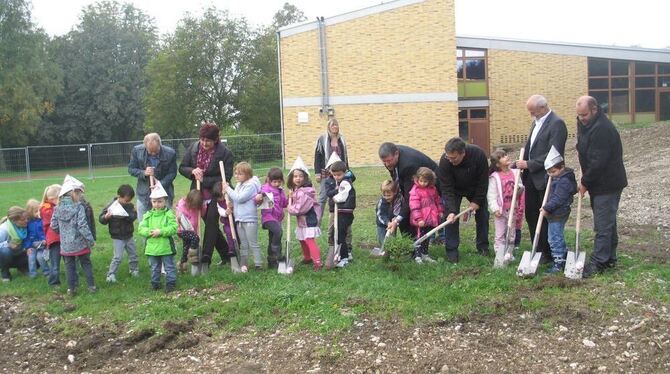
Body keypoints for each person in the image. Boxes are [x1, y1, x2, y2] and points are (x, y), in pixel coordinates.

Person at [575, 96, 628, 278]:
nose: (582, 118)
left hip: (608, 182)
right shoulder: (587, 124)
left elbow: (598, 162)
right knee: (608, 221)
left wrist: (584, 182)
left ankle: (599, 261)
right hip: (599, 182)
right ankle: (610, 257)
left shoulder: (603, 129)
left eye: (585, 114)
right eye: (579, 115)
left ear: (595, 109)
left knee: (603, 224)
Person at [515, 95, 567, 264]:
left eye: (534, 112)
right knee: (531, 214)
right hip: (530, 177)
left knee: (545, 215)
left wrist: (529, 163)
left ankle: (548, 252)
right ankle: (537, 248)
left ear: (543, 108)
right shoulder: (536, 122)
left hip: (545, 177)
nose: (532, 115)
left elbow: (554, 154)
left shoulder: (557, 124)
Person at [179, 123, 234, 267]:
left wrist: (205, 179)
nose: (204, 143)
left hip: (217, 193)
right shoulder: (193, 148)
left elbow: (226, 178)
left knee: (211, 221)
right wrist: (192, 171)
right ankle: (226, 254)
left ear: (216, 139)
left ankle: (206, 258)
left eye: (208, 141)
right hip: (198, 194)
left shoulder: (225, 154)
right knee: (211, 226)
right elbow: (182, 167)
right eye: (202, 139)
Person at [437, 137, 490, 263]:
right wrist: (451, 210)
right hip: (454, 189)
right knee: (450, 219)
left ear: (463, 153)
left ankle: (483, 247)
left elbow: (483, 181)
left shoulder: (478, 155)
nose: (450, 160)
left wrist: (477, 201)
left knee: (483, 216)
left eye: (454, 158)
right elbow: (446, 188)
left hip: (474, 187)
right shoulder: (445, 161)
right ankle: (452, 251)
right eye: (448, 157)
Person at [378, 142, 438, 235]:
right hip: (416, 181)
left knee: (425, 208)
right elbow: (395, 177)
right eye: (384, 161)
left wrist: (398, 218)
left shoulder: (408, 165)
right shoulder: (390, 159)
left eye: (389, 161)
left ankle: (428, 237)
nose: (387, 164)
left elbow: (409, 197)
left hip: (433, 183)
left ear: (396, 154)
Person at [51, 176, 96, 296]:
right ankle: (91, 286)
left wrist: (63, 234)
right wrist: (90, 240)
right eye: (79, 193)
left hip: (66, 245)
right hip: (80, 243)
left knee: (69, 266)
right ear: (73, 194)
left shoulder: (57, 209)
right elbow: (82, 225)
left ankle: (71, 289)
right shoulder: (78, 207)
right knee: (86, 264)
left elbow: (53, 225)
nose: (80, 196)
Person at [540, 146, 577, 274]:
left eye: (553, 171)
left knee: (554, 238)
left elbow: (558, 198)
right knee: (556, 235)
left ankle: (559, 261)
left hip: (558, 213)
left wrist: (546, 208)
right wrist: (550, 177)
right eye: (548, 172)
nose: (550, 174)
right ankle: (564, 254)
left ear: (562, 167)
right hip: (555, 212)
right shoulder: (556, 177)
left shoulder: (564, 181)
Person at [138, 181, 178, 292]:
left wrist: (160, 232)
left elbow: (173, 228)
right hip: (152, 249)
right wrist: (150, 232)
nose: (157, 204)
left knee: (169, 266)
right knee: (154, 268)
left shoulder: (168, 214)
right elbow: (141, 229)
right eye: (154, 201)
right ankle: (155, 283)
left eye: (160, 201)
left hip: (166, 248)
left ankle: (170, 283)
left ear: (165, 201)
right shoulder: (148, 215)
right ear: (151, 202)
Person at [222, 162, 262, 272]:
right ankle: (244, 264)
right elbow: (236, 200)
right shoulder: (239, 185)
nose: (236, 176)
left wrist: (228, 188)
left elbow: (240, 198)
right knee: (243, 244)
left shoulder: (250, 186)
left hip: (249, 219)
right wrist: (231, 204)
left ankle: (258, 264)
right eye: (236, 173)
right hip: (239, 219)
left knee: (252, 242)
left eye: (240, 174)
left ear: (247, 174)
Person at [128, 133, 178, 220]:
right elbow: (131, 169)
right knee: (145, 224)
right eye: (150, 152)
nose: (153, 154)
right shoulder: (137, 151)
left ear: (160, 144)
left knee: (165, 223)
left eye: (155, 151)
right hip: (144, 195)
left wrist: (160, 184)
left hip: (164, 193)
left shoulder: (170, 153)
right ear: (145, 146)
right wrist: (143, 173)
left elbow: (172, 173)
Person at [487, 150, 525, 260]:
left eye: (505, 155)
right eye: (502, 157)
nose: (506, 157)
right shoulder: (495, 177)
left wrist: (519, 188)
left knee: (511, 234)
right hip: (500, 210)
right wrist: (494, 208)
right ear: (498, 164)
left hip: (512, 208)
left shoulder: (516, 173)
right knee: (500, 234)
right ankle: (499, 254)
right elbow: (491, 195)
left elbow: (521, 187)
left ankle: (509, 253)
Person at [287, 157, 322, 271]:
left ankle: (317, 262)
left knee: (309, 240)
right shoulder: (297, 190)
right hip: (302, 221)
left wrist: (290, 208)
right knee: (302, 239)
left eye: (301, 176)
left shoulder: (306, 191)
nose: (298, 178)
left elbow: (300, 209)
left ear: (305, 178)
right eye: (295, 176)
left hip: (308, 220)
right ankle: (307, 258)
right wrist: (292, 197)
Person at [99, 184, 139, 283]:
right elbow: (101, 219)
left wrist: (126, 215)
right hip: (117, 237)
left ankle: (134, 270)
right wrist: (106, 217)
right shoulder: (111, 206)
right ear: (119, 196)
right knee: (118, 257)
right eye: (126, 200)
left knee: (133, 254)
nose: (127, 202)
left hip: (128, 235)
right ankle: (111, 275)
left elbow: (133, 216)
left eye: (129, 200)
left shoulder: (130, 206)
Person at [314, 118, 349, 222]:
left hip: (339, 172)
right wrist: (317, 173)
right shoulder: (322, 139)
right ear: (328, 127)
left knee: (339, 194)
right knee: (322, 197)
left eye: (336, 125)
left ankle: (337, 219)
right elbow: (318, 157)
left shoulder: (341, 139)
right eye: (333, 125)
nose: (335, 127)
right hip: (326, 172)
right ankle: (316, 222)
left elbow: (345, 156)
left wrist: (347, 170)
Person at [325, 160, 356, 268]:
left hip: (345, 212)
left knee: (339, 235)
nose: (337, 177)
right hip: (341, 212)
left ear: (345, 172)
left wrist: (334, 198)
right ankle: (341, 255)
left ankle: (344, 257)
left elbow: (342, 196)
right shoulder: (340, 182)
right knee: (336, 234)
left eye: (339, 174)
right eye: (334, 175)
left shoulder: (345, 182)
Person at [409, 167, 442, 264]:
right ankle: (417, 256)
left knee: (427, 236)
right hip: (421, 220)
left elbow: (438, 201)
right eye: (421, 181)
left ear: (430, 181)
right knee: (420, 237)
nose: (423, 183)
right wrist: (419, 219)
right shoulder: (415, 191)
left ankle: (425, 254)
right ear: (417, 179)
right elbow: (414, 206)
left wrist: (440, 211)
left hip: (430, 218)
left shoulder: (433, 189)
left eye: (425, 181)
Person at [257, 168, 289, 270]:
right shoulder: (265, 189)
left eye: (279, 182)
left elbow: (284, 204)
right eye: (274, 182)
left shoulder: (280, 191)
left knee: (272, 238)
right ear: (269, 180)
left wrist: (290, 197)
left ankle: (272, 261)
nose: (276, 184)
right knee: (278, 232)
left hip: (277, 218)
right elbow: (258, 198)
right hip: (268, 218)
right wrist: (259, 197)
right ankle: (277, 253)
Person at [175, 189, 202, 273]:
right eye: (193, 205)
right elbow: (179, 216)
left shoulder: (198, 208)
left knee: (185, 248)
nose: (194, 207)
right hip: (182, 231)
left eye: (196, 206)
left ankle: (182, 265)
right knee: (195, 238)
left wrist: (202, 207)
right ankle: (193, 255)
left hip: (192, 231)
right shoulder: (182, 205)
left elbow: (202, 212)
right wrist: (178, 217)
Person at [0, 207, 29, 281]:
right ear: (13, 221)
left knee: (38, 254)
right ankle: (5, 273)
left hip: (20, 253)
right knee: (5, 252)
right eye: (23, 220)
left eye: (27, 218)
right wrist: (8, 244)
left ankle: (22, 267)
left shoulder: (25, 227)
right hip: (5, 256)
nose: (27, 221)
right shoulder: (4, 229)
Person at [40, 184, 62, 286]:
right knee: (55, 262)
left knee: (68, 258)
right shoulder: (46, 207)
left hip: (61, 236)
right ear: (53, 198)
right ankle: (53, 282)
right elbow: (51, 218)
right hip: (54, 239)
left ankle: (73, 277)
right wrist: (58, 207)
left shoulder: (54, 206)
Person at [375, 180, 407, 246]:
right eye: (384, 195)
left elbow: (399, 210)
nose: (386, 197)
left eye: (389, 195)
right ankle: (383, 252)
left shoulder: (398, 200)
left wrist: (394, 220)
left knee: (391, 240)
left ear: (394, 192)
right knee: (383, 240)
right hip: (382, 225)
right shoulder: (382, 202)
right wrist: (387, 222)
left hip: (393, 224)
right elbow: (380, 214)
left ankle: (391, 252)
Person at [24, 199, 48, 278]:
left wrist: (45, 240)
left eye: (39, 210)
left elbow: (46, 231)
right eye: (36, 211)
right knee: (31, 258)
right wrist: (28, 247)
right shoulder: (28, 223)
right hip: (32, 245)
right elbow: (26, 236)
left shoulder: (42, 220)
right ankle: (32, 274)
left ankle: (47, 272)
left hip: (42, 244)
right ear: (30, 212)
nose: (39, 213)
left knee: (40, 257)